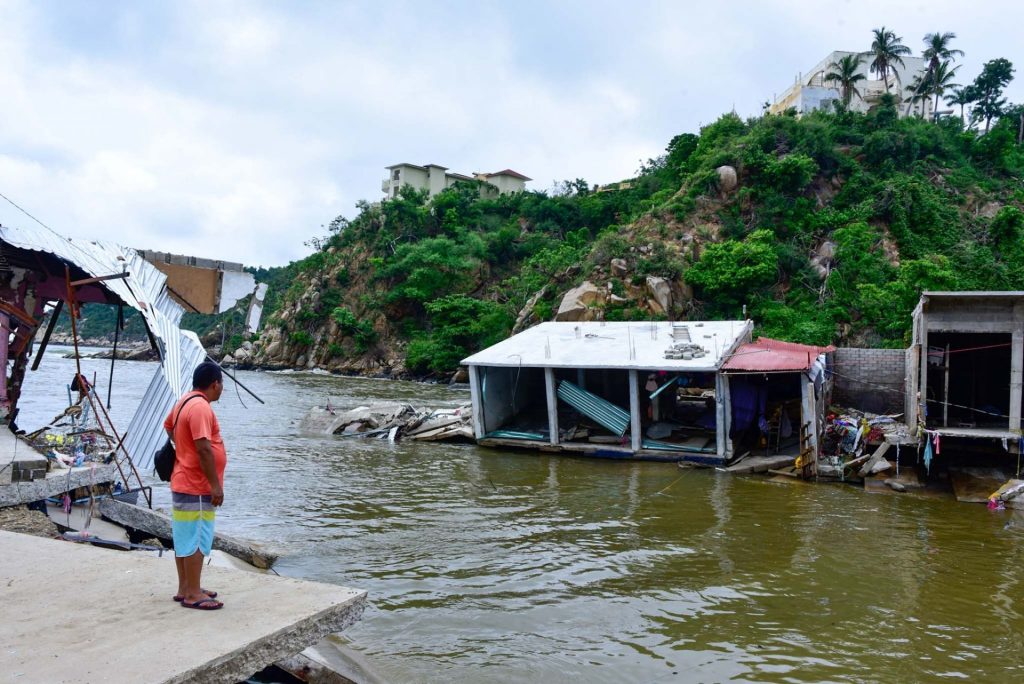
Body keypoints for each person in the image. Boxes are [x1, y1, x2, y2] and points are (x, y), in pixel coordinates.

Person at [164, 361, 227, 610]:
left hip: (183, 479)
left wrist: (183, 449)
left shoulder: (184, 401)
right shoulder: (200, 407)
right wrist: (215, 486)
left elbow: (168, 426)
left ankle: (187, 587)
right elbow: (203, 449)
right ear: (215, 384)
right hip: (197, 484)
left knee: (184, 537)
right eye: (222, 384)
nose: (222, 389)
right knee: (197, 538)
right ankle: (192, 594)